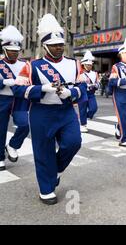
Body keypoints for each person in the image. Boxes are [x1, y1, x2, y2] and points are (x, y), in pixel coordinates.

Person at [14, 14, 87, 205]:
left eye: (61, 44)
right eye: (54, 44)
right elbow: (18, 89)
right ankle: (46, 188)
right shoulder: (32, 66)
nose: (59, 47)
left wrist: (71, 92)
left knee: (73, 142)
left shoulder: (74, 64)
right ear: (45, 46)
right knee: (43, 151)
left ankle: (55, 171)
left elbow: (83, 89)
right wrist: (41, 89)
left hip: (66, 112)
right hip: (41, 113)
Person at [0, 26, 30, 171]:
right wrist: (4, 82)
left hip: (19, 99)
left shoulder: (25, 64)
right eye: (11, 50)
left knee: (24, 125)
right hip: (2, 98)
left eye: (16, 51)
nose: (14, 53)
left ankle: (12, 145)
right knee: (1, 129)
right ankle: (0, 158)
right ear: (4, 49)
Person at [78, 51, 99, 133]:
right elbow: (77, 82)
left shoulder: (95, 73)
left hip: (91, 94)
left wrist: (96, 86)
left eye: (90, 65)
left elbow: (98, 83)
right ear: (84, 64)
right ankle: (83, 124)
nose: (89, 66)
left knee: (94, 108)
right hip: (83, 93)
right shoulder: (80, 73)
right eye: (87, 65)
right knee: (82, 109)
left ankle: (84, 117)